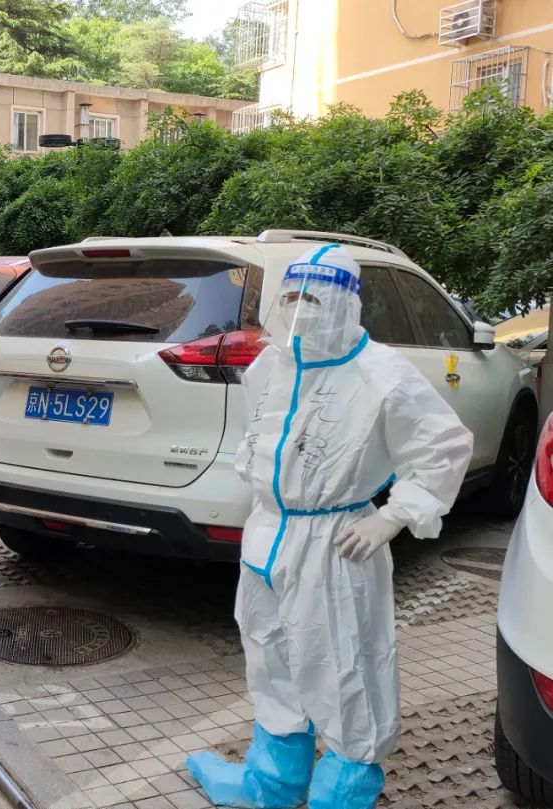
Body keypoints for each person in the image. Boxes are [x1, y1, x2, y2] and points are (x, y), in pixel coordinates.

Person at [185, 245, 473, 809]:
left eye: (313, 300)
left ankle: (341, 795)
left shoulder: (382, 374)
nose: (299, 311)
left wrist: (394, 515)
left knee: (345, 669)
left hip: (336, 541)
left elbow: (444, 445)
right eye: (291, 297)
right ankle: (272, 783)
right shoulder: (271, 366)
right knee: (269, 656)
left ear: (346, 304)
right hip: (268, 535)